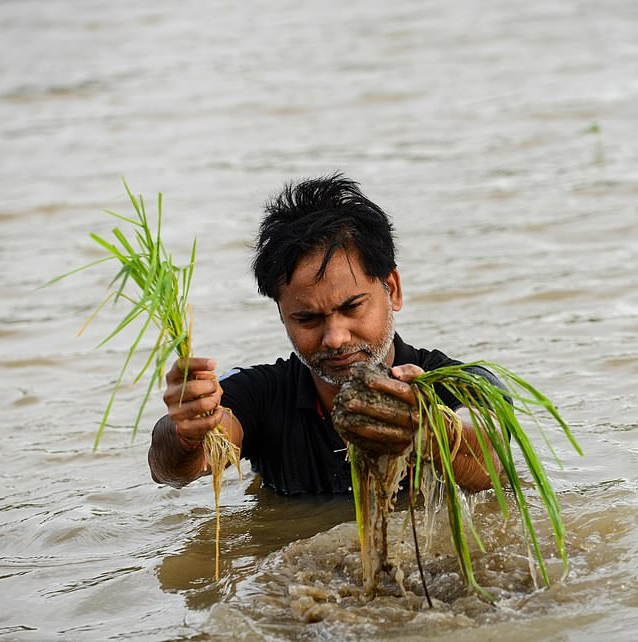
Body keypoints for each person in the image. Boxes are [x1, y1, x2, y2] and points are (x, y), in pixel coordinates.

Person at [147, 174, 499, 496]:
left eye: (352, 307)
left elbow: (491, 458)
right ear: (282, 315)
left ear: (392, 289)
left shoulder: (459, 383)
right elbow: (174, 468)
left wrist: (433, 432)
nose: (335, 337)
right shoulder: (264, 397)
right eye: (307, 318)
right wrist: (188, 431)